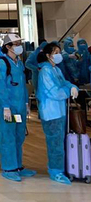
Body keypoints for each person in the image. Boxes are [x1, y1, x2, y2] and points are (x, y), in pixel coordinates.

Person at [0, 34, 36, 182]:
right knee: (8, 137)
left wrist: (26, 103)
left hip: (19, 106)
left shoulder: (19, 63)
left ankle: (18, 166)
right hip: (8, 107)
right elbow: (2, 87)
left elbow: (22, 85)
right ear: (8, 46)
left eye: (19, 43)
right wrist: (6, 106)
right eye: (16, 44)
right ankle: (9, 168)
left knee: (19, 136)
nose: (19, 46)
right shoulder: (1, 64)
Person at [37, 42, 79, 185]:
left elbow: (64, 82)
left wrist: (72, 86)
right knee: (55, 144)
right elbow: (54, 92)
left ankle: (60, 168)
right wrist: (68, 91)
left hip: (59, 111)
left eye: (59, 52)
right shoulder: (45, 71)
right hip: (50, 112)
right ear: (48, 55)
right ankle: (56, 171)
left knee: (60, 142)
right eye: (55, 53)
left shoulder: (56, 70)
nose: (59, 55)